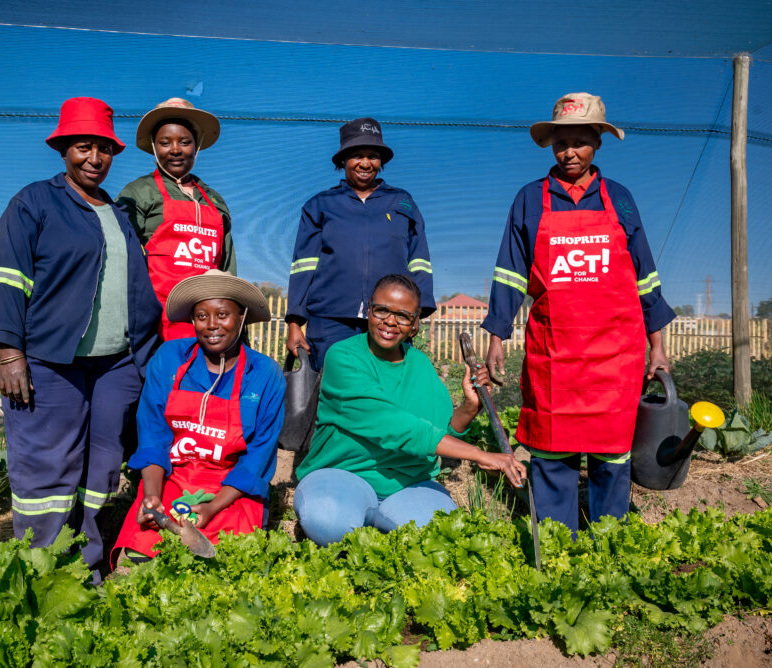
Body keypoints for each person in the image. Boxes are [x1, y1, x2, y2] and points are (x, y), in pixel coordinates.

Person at [0, 97, 162, 580]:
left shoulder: (119, 214)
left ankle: (88, 566)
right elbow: (2, 276)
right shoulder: (35, 202)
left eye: (104, 149)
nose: (94, 158)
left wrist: (143, 357)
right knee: (47, 466)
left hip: (117, 365)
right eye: (84, 147)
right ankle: (40, 568)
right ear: (63, 149)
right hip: (49, 359)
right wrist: (9, 350)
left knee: (102, 468)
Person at [481, 92, 676, 535]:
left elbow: (645, 275)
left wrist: (657, 347)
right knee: (552, 455)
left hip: (616, 355)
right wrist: (497, 336)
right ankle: (556, 547)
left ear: (598, 143)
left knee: (612, 456)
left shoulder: (619, 200)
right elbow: (510, 273)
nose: (569, 152)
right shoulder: (530, 199)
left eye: (580, 142)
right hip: (556, 356)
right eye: (561, 143)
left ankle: (610, 545)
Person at [294, 275, 526, 546]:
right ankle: (366, 519)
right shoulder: (343, 357)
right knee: (327, 520)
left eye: (403, 316)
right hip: (342, 474)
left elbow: (444, 432)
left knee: (437, 534)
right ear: (368, 310)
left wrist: (470, 406)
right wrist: (480, 455)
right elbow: (392, 425)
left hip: (408, 483)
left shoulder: (420, 365)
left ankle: (382, 520)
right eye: (382, 310)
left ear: (415, 324)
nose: (390, 321)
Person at [112, 270, 286, 563]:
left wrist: (212, 507)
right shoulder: (169, 358)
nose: (211, 325)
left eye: (222, 314)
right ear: (192, 320)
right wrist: (152, 495)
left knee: (229, 561)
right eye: (201, 316)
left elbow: (258, 457)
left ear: (241, 317)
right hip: (174, 479)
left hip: (233, 488)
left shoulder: (265, 374)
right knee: (144, 553)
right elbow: (153, 437)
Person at [286, 118, 436, 372]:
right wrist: (294, 323)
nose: (365, 163)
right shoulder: (321, 205)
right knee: (332, 393)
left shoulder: (402, 202)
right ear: (343, 160)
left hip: (389, 319)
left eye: (373, 156)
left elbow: (419, 259)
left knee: (384, 391)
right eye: (357, 155)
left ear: (381, 162)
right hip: (330, 321)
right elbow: (303, 266)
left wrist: (416, 312)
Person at [118, 98, 236, 341]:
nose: (175, 149)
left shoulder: (215, 200)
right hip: (156, 323)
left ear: (197, 145)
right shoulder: (139, 192)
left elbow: (227, 268)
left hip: (209, 324)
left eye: (184, 142)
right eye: (165, 142)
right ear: (154, 146)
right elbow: (120, 255)